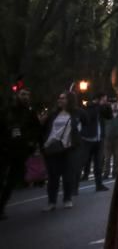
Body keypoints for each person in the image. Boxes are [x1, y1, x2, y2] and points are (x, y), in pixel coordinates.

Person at [1, 86, 43, 219]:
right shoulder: (7, 111)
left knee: (11, 181)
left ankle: (1, 206)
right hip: (5, 148)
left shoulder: (30, 113)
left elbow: (36, 130)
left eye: (27, 95)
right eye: (23, 94)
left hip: (20, 150)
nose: (25, 97)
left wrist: (31, 143)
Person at [41, 91, 80, 210]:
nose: (60, 100)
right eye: (59, 98)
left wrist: (77, 140)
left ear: (70, 100)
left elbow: (87, 122)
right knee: (53, 177)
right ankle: (51, 202)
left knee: (68, 175)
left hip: (68, 149)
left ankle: (67, 199)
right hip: (53, 147)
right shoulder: (53, 114)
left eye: (63, 98)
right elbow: (45, 128)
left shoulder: (76, 113)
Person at [76, 93, 112, 192]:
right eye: (104, 99)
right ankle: (74, 186)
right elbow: (89, 118)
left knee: (98, 164)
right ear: (98, 99)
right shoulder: (89, 107)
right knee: (82, 162)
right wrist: (98, 105)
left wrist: (107, 106)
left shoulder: (102, 109)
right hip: (87, 139)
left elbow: (109, 116)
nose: (105, 101)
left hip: (99, 139)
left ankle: (99, 185)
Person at [103, 98, 118, 180]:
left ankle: (115, 173)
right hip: (107, 138)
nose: (115, 104)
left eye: (116, 103)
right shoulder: (106, 112)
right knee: (107, 157)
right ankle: (106, 173)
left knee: (117, 156)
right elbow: (102, 123)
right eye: (113, 103)